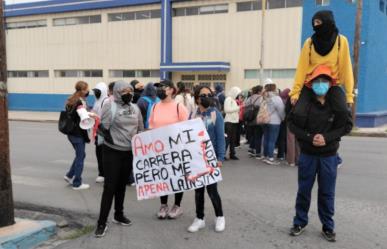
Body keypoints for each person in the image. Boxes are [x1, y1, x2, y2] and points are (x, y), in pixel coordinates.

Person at [287, 65, 352, 242]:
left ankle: (328, 226)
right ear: (311, 83)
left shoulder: (336, 103)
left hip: (329, 156)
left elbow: (347, 126)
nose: (321, 83)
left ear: (331, 83)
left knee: (327, 192)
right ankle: (300, 222)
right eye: (317, 80)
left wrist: (327, 137)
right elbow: (292, 124)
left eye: (324, 80)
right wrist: (309, 137)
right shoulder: (304, 102)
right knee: (304, 190)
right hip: (307, 155)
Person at [95, 80, 144, 238]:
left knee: (122, 186)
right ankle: (101, 223)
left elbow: (140, 129)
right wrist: (111, 138)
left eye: (130, 90)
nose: (128, 94)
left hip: (128, 153)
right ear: (116, 92)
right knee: (110, 188)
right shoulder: (110, 106)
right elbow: (103, 129)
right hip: (112, 152)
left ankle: (119, 214)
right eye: (124, 91)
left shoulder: (135, 108)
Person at [289, 10, 354, 114]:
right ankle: (307, 131)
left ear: (328, 22)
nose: (315, 25)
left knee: (343, 112)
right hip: (311, 84)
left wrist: (349, 94)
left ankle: (331, 131)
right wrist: (295, 92)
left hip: (332, 84)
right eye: (314, 23)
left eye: (318, 22)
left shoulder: (341, 41)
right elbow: (301, 69)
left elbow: (346, 68)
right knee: (298, 113)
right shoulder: (309, 43)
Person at [187, 86, 226, 233]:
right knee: (198, 191)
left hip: (211, 158)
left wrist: (220, 157)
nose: (207, 97)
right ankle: (199, 218)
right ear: (197, 98)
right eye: (203, 95)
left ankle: (220, 216)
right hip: (195, 159)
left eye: (209, 94)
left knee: (212, 190)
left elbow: (221, 137)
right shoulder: (192, 114)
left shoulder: (216, 114)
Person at [149, 80, 189, 219]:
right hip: (160, 151)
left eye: (163, 87)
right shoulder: (154, 107)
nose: (159, 89)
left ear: (172, 90)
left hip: (177, 150)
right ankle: (163, 204)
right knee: (163, 178)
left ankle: (177, 206)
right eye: (158, 87)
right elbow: (151, 127)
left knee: (178, 178)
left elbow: (186, 130)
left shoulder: (179, 107)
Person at [63, 81, 91, 190]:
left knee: (81, 155)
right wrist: (87, 138)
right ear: (82, 90)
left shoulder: (71, 100)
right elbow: (83, 121)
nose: (88, 91)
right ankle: (77, 183)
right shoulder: (80, 102)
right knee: (80, 157)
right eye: (86, 89)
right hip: (78, 134)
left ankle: (69, 175)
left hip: (71, 133)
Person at [262, 80, 285, 165]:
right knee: (272, 140)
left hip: (265, 120)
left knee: (266, 139)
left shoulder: (264, 97)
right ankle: (271, 158)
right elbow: (281, 110)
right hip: (274, 121)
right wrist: (283, 118)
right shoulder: (276, 98)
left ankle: (265, 156)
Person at [91, 82, 109, 183]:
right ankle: (101, 172)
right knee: (99, 152)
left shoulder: (106, 101)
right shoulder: (97, 101)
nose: (96, 93)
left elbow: (104, 116)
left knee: (103, 152)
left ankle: (104, 173)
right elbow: (94, 112)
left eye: (98, 92)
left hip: (103, 131)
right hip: (98, 130)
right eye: (95, 91)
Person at [244, 85, 264, 159]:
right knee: (258, 136)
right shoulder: (261, 98)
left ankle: (251, 149)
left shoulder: (249, 98)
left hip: (250, 119)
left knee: (252, 135)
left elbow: (245, 106)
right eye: (262, 90)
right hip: (258, 119)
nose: (263, 91)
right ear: (259, 91)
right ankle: (258, 153)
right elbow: (263, 108)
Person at [224, 86, 242, 160]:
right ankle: (223, 154)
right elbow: (227, 110)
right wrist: (238, 108)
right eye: (238, 93)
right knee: (227, 139)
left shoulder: (233, 100)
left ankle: (232, 154)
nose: (239, 95)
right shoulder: (228, 99)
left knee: (232, 139)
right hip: (229, 122)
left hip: (234, 121)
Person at [276, 88, 291, 161]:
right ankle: (286, 153)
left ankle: (280, 154)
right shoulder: (289, 100)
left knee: (281, 138)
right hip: (286, 121)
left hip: (280, 121)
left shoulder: (280, 99)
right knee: (286, 138)